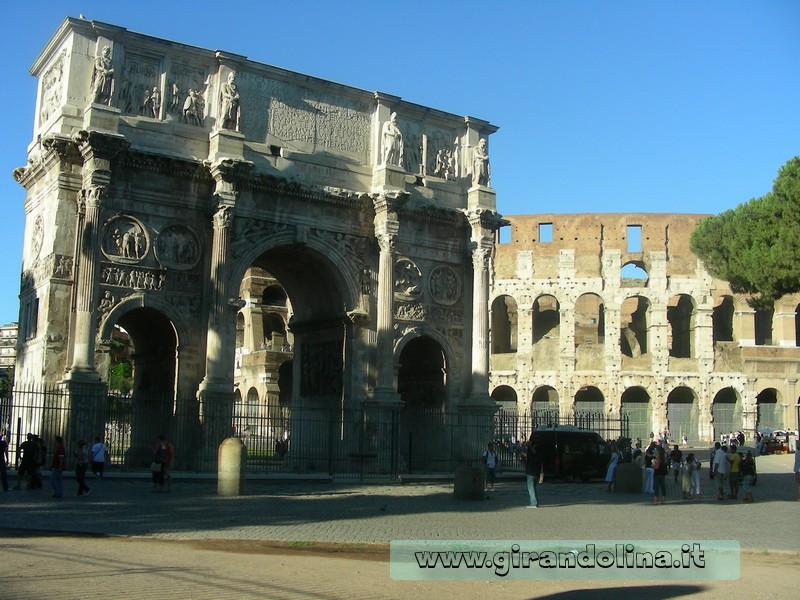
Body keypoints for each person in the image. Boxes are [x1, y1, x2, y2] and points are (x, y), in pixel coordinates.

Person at [521, 441, 543, 508]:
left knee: (531, 488)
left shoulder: (532, 454)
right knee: (533, 488)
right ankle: (534, 502)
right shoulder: (539, 455)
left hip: (531, 472)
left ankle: (533, 503)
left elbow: (525, 454)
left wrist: (525, 446)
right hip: (536, 472)